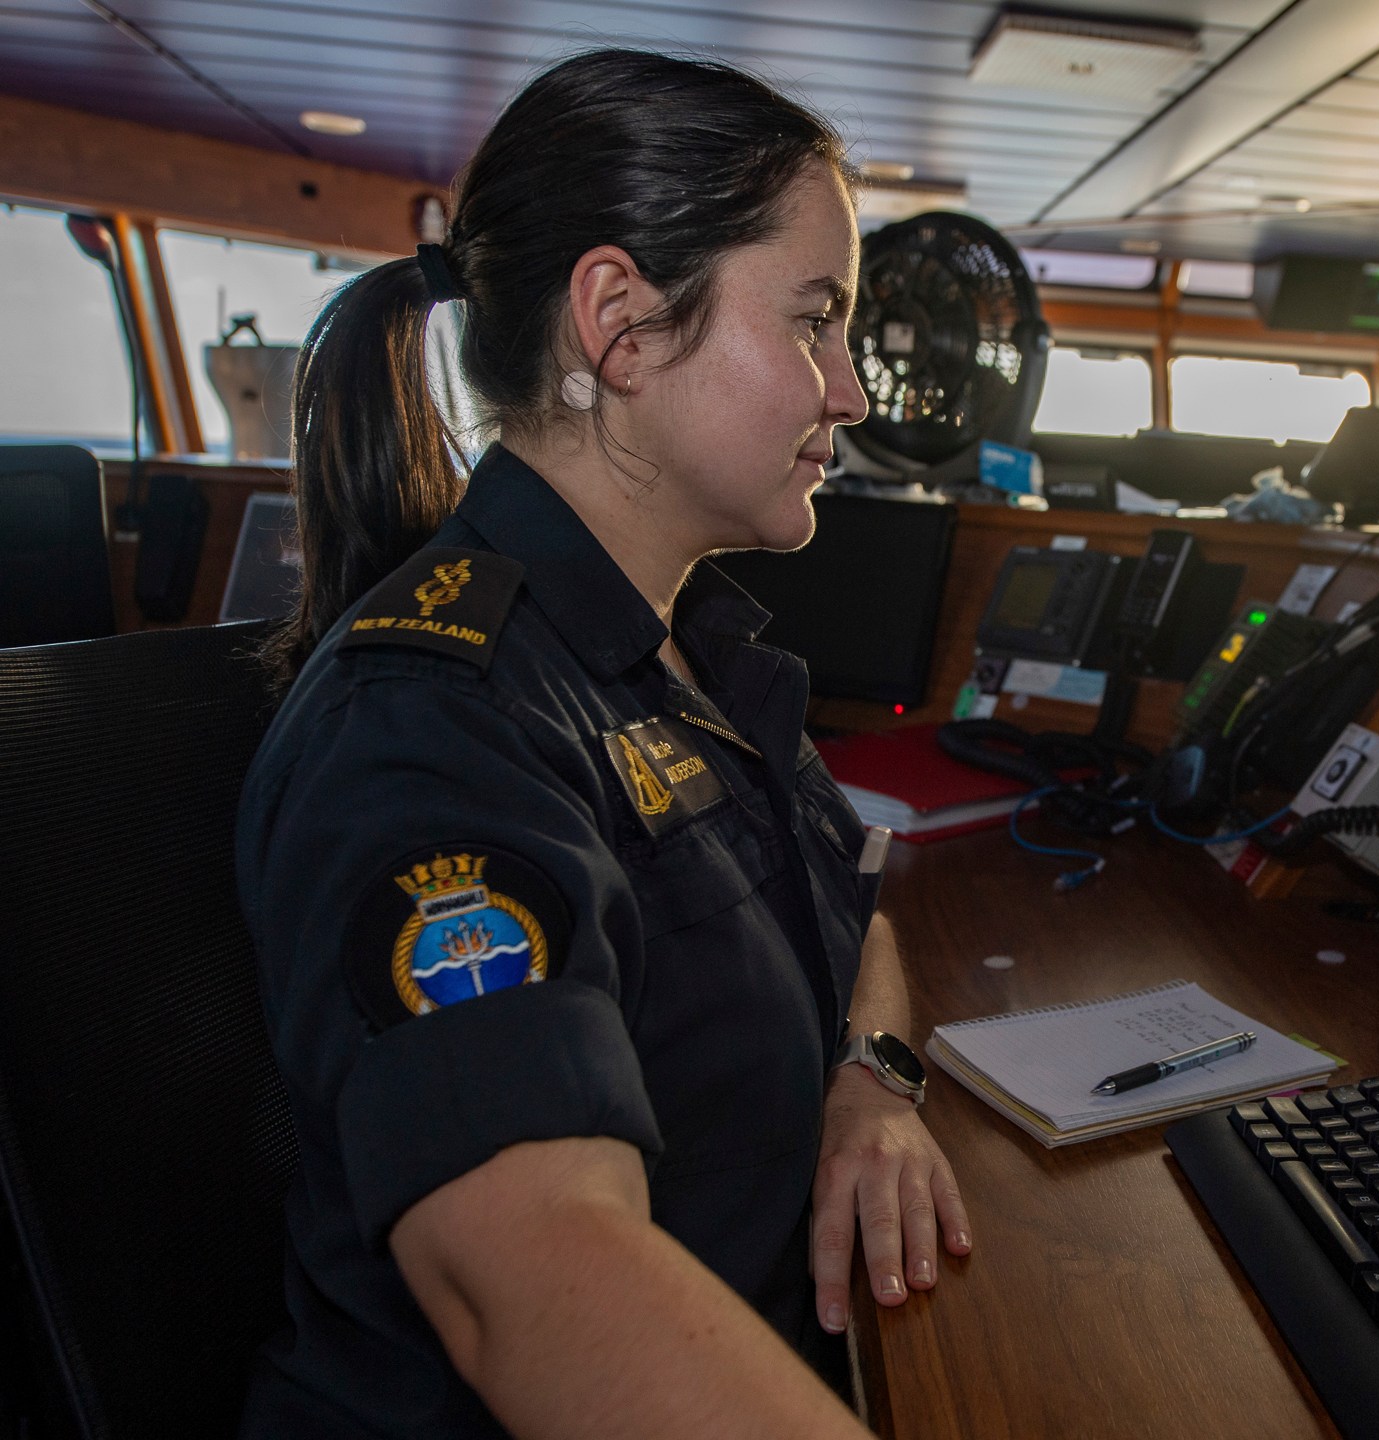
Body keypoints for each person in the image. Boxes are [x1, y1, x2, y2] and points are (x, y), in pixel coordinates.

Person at [234, 49, 966, 1439]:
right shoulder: (430, 726)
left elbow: (853, 911)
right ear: (620, 325)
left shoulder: (693, 658)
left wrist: (873, 1085)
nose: (852, 390)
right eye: (816, 321)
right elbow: (533, 1286)